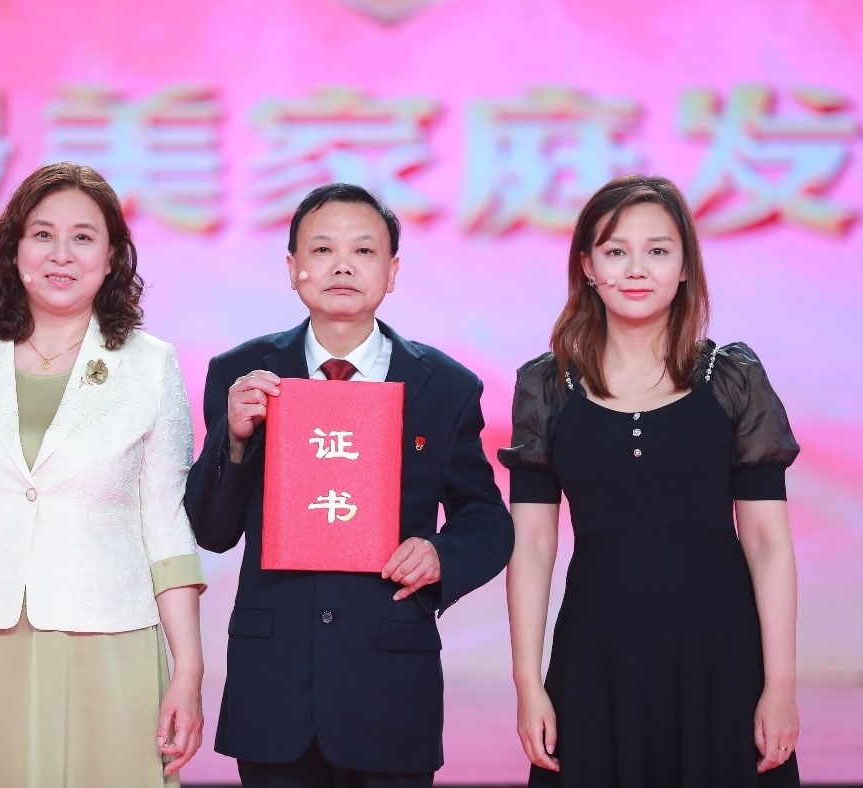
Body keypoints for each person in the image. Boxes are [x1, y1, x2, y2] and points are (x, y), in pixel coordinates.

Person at [0, 162, 206, 787]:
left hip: (107, 636)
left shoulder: (149, 366)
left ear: (112, 257)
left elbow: (167, 527)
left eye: (83, 237)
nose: (62, 254)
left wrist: (188, 671)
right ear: (14, 249)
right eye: (43, 234)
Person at [184, 183, 513, 787]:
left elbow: (487, 519)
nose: (342, 265)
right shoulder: (242, 374)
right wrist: (233, 441)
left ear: (392, 272)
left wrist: (441, 554)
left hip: (388, 682)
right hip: (274, 681)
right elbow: (212, 529)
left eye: (363, 250)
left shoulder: (444, 386)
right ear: (293, 269)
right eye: (322, 249)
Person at [501, 174, 801, 787]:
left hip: (720, 655)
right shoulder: (546, 387)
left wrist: (780, 684)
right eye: (615, 251)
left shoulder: (733, 379)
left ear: (686, 266)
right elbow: (530, 545)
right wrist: (528, 684)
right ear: (587, 266)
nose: (636, 269)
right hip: (597, 656)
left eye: (658, 250)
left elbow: (769, 542)